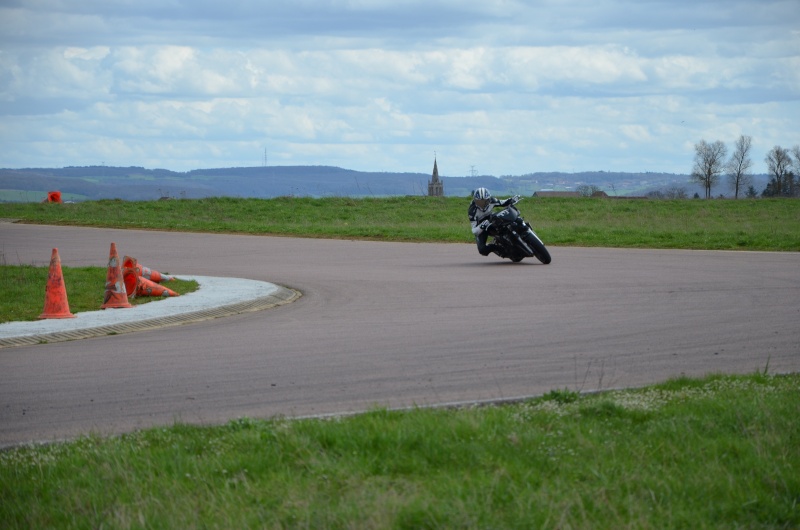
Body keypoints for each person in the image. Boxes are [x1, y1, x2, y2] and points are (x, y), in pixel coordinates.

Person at [468, 188, 519, 257]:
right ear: (475, 200)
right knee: (482, 250)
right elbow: (474, 230)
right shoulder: (472, 211)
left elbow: (503, 202)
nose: (482, 204)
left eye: (485, 201)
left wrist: (512, 199)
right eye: (479, 202)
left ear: (488, 199)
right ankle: (497, 248)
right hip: (481, 226)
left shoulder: (492, 200)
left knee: (509, 220)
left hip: (491, 218)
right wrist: (481, 226)